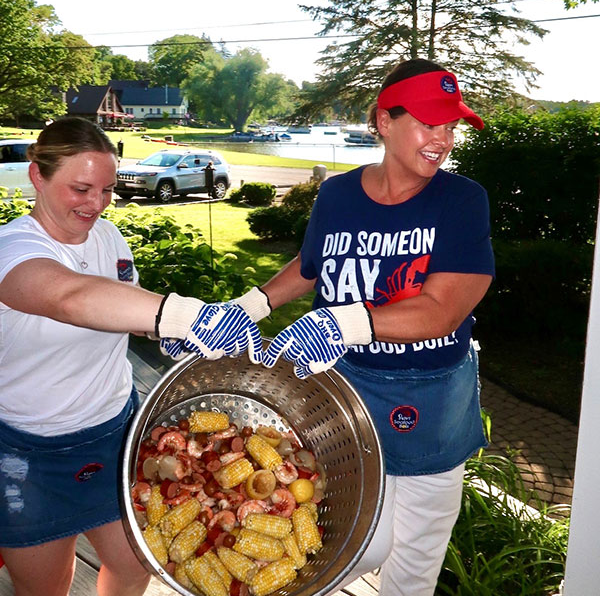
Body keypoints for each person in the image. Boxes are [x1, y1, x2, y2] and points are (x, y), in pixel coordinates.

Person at [196, 59, 495, 595]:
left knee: (417, 557)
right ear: (384, 121)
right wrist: (250, 304)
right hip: (347, 393)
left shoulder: (461, 200)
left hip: (431, 401)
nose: (443, 139)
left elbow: (442, 309)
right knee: (357, 541)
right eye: (429, 123)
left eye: (450, 126)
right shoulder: (337, 195)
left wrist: (343, 322)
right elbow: (312, 267)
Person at [0, 117, 262, 596]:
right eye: (80, 189)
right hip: (27, 454)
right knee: (45, 586)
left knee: (135, 564)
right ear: (37, 175)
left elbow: (124, 304)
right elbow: (71, 298)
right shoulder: (13, 249)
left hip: (113, 435)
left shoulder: (110, 239)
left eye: (106, 189)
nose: (96, 204)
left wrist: (166, 331)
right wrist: (185, 315)